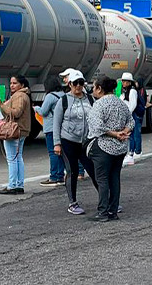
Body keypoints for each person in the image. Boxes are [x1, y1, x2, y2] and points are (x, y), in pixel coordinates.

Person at [87, 76, 133, 222]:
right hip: (120, 148)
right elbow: (131, 121)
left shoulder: (99, 104)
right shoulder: (121, 103)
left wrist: (114, 133)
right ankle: (113, 211)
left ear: (100, 88)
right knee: (115, 178)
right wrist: (124, 132)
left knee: (102, 179)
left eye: (94, 87)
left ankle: (103, 212)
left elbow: (97, 126)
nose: (93, 90)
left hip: (104, 146)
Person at [53, 71, 97, 215]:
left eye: (81, 82)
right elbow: (56, 123)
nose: (78, 86)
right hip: (68, 141)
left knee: (94, 170)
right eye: (75, 83)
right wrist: (57, 143)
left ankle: (107, 199)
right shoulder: (63, 100)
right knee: (72, 171)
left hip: (86, 141)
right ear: (70, 84)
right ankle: (72, 203)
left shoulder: (90, 99)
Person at [0, 75, 32, 194]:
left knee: (12, 159)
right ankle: (19, 185)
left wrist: (1, 104)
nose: (12, 85)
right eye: (11, 83)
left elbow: (16, 113)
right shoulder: (23, 95)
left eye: (15, 83)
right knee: (18, 157)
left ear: (22, 85)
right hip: (21, 130)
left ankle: (12, 185)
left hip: (15, 131)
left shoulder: (19, 96)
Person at [35, 76, 65, 187]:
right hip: (62, 127)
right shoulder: (63, 95)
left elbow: (43, 111)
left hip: (51, 128)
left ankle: (53, 177)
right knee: (60, 153)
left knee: (52, 152)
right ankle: (60, 176)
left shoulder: (50, 96)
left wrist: (36, 108)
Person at [120, 72, 143, 165]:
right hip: (129, 115)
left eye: (125, 81)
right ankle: (132, 153)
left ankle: (133, 153)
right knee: (131, 135)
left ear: (130, 82)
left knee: (133, 134)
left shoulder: (132, 91)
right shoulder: (125, 91)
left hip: (132, 115)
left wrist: (127, 115)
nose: (123, 83)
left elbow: (133, 105)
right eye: (123, 81)